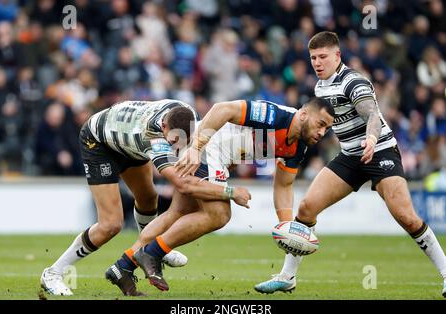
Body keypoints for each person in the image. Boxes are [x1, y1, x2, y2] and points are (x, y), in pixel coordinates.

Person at [253, 31, 446, 297]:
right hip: (349, 156)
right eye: (313, 58)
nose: (317, 63)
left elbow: (372, 114)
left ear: (337, 56)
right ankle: (288, 277)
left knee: (407, 218)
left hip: (379, 151)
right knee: (307, 208)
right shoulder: (319, 87)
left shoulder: (353, 82)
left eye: (322, 57)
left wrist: (370, 138)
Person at [111, 97, 333, 295]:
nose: (322, 133)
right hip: (208, 148)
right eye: (320, 124)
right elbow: (222, 108)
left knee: (179, 212)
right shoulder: (277, 116)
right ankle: (151, 253)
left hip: (216, 156)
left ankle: (123, 266)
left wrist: (285, 226)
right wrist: (196, 148)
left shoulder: (299, 147)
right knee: (219, 214)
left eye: (327, 129)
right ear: (303, 114)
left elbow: (284, 186)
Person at [40, 99, 252, 296]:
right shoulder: (154, 137)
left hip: (127, 139)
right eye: (174, 142)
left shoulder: (186, 115)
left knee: (149, 198)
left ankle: (147, 250)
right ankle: (53, 273)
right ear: (165, 128)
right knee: (110, 225)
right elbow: (182, 184)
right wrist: (231, 193)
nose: (177, 147)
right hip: (99, 143)